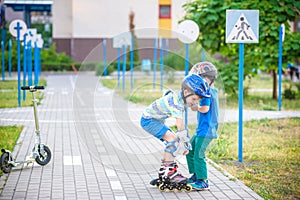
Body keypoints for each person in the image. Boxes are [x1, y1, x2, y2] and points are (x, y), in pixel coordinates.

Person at [140, 74, 211, 191]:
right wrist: (185, 144)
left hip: (154, 120)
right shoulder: (177, 104)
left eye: (197, 101)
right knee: (173, 140)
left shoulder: (179, 97)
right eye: (193, 99)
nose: (194, 103)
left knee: (174, 141)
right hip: (149, 121)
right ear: (185, 92)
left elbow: (167, 95)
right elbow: (180, 127)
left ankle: (165, 171)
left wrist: (183, 142)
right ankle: (168, 173)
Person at [186, 61, 219, 191]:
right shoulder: (212, 91)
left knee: (199, 153)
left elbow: (204, 109)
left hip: (206, 130)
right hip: (202, 129)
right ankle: (196, 175)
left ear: (206, 79)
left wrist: (195, 107)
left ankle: (203, 180)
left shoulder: (206, 92)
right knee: (190, 149)